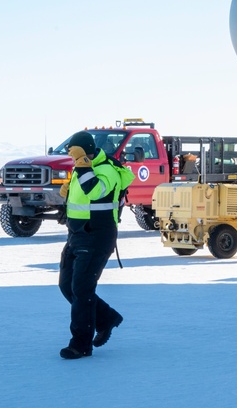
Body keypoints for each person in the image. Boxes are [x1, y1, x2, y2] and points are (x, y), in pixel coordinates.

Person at [57, 130, 133, 359]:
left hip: (97, 236)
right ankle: (106, 318)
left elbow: (96, 191)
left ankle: (80, 344)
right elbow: (81, 202)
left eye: (73, 152)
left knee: (81, 289)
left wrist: (82, 166)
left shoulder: (107, 170)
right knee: (67, 286)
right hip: (77, 235)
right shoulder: (81, 169)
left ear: (83, 151)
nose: (70, 156)